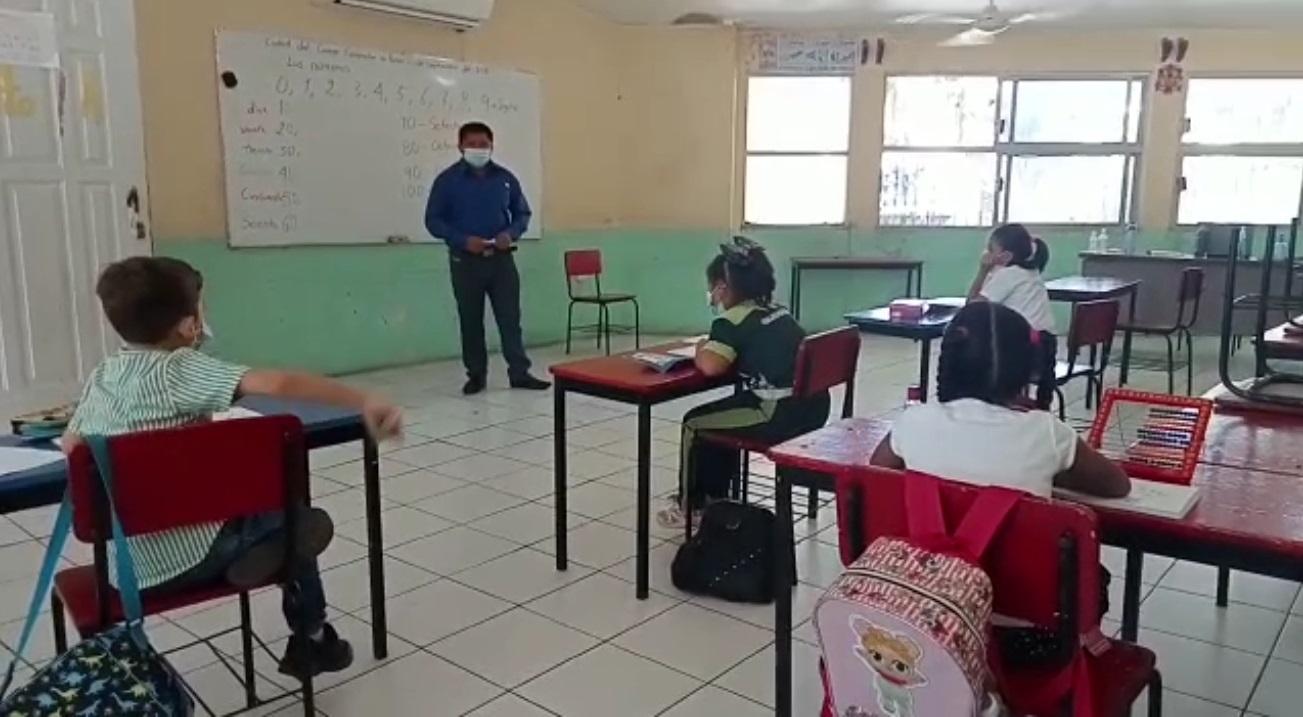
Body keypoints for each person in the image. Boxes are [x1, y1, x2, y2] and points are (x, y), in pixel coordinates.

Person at [62, 256, 404, 680]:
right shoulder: (180, 368)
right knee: (299, 520)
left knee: (268, 515)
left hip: (125, 571)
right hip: (196, 555)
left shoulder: (103, 374)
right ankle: (312, 641)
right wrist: (364, 400)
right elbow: (277, 385)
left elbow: (73, 446)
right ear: (189, 324)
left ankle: (265, 555)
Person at [869, 302, 1129, 671]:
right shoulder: (1044, 432)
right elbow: (1117, 486)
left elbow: (878, 472)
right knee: (1094, 577)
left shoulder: (914, 421)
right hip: (1028, 638)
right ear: (1026, 369)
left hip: (928, 614)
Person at [657, 237, 831, 528]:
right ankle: (716, 498)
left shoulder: (730, 322)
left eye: (713, 286)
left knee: (694, 423)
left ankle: (692, 506)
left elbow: (712, 366)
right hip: (813, 406)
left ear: (722, 288)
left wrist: (702, 346)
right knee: (721, 417)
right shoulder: (778, 311)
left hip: (778, 412)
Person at [425, 121, 549, 396]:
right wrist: (462, 240)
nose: (478, 149)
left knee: (510, 318)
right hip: (465, 261)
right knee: (470, 320)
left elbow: (522, 214)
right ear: (460, 146)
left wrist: (511, 233)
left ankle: (519, 372)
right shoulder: (447, 181)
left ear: (492, 146)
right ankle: (476, 375)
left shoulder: (505, 178)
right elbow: (433, 220)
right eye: (472, 144)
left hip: (502, 260)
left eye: (483, 144)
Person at [967, 223, 1057, 410]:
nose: (986, 254)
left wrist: (982, 269)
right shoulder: (1032, 273)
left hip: (1025, 354)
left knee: (974, 360)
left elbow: (972, 307)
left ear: (1006, 256)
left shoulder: (1008, 275)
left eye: (991, 250)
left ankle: (987, 409)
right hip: (1045, 351)